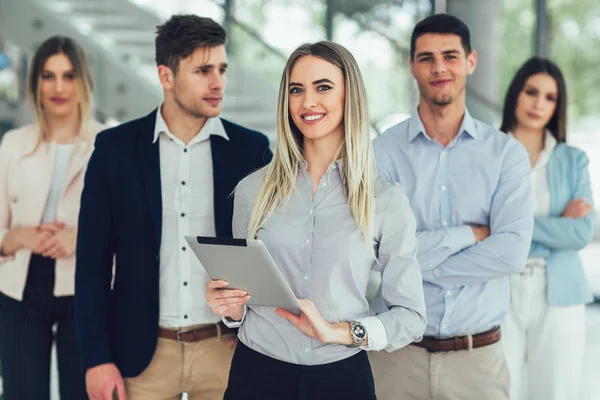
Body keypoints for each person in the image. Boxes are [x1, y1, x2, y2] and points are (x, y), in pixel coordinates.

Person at [205, 40, 427, 400]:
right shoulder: (252, 191)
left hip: (341, 380)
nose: (307, 102)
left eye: (323, 87)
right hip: (256, 374)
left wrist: (340, 331)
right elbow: (242, 302)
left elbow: (412, 316)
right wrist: (230, 307)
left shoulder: (385, 200)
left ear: (348, 96)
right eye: (297, 90)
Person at [75, 15, 272, 400]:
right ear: (166, 76)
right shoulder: (115, 150)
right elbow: (92, 265)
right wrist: (96, 358)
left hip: (225, 351)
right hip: (142, 356)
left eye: (222, 69)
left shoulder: (251, 150)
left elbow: (269, 252)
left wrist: (248, 323)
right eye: (203, 71)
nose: (218, 83)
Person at [369, 14, 534, 400]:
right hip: (397, 358)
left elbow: (510, 254)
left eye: (450, 56)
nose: (439, 67)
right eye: (426, 58)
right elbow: (376, 253)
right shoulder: (381, 153)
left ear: (471, 61)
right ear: (411, 66)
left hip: (477, 363)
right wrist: (469, 236)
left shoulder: (506, 154)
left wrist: (410, 265)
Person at [0, 35, 103, 400]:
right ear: (35, 84)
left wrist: (80, 238)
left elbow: (126, 232)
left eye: (69, 75)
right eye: (48, 76)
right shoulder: (12, 144)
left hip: (84, 288)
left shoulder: (108, 145)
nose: (58, 87)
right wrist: (22, 235)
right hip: (19, 286)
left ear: (83, 82)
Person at [499, 57, 595, 400]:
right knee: (498, 391)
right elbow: (479, 227)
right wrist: (556, 226)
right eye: (531, 92)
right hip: (498, 292)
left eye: (550, 97)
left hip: (560, 294)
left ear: (558, 105)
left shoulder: (573, 160)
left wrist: (511, 225)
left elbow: (581, 233)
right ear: (516, 95)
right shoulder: (487, 153)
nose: (539, 103)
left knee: (556, 394)